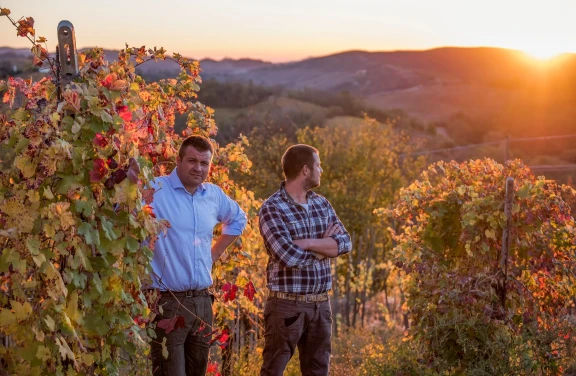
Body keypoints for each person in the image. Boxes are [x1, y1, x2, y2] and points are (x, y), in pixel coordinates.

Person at [149, 135, 247, 376]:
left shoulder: (213, 195)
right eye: (192, 161)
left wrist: (213, 255)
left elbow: (238, 219)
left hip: (203, 303)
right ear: (178, 160)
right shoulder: (155, 189)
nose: (199, 168)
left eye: (205, 163)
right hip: (167, 302)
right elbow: (121, 213)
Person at [258, 144, 352, 376]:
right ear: (306, 170)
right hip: (287, 306)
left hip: (321, 305)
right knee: (273, 371)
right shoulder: (272, 208)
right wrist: (325, 246)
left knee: (318, 371)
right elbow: (288, 256)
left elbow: (345, 243)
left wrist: (309, 243)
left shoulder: (322, 204)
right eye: (318, 165)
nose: (322, 170)